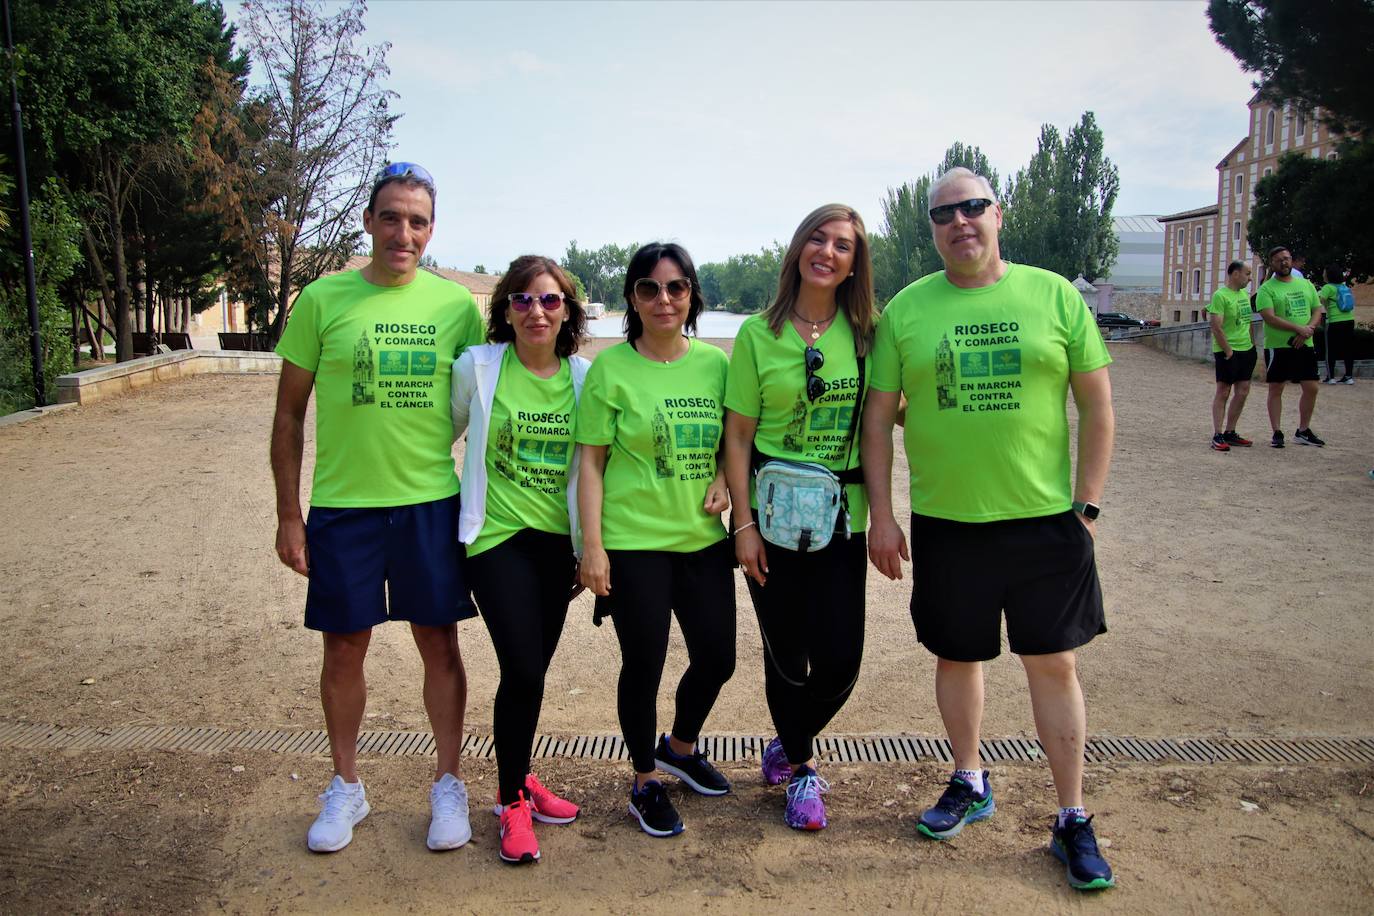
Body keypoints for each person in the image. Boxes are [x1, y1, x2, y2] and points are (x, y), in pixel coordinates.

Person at [862, 167, 1117, 891]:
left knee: (1054, 664)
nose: (960, 221)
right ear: (932, 229)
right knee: (956, 656)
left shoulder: (1053, 295)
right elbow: (878, 418)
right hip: (948, 522)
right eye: (944, 214)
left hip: (1046, 522)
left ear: (997, 215)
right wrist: (883, 515)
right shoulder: (909, 311)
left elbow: (1098, 407)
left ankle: (1071, 817)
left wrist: (1087, 506)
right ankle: (969, 779)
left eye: (973, 207)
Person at [271, 162, 485, 854]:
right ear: (368, 221)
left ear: (431, 231)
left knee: (439, 643)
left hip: (429, 503)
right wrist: (287, 514)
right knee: (344, 646)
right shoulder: (322, 300)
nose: (403, 232)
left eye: (417, 221)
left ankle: (447, 784)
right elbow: (288, 413)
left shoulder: (456, 308)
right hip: (344, 506)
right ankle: (346, 786)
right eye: (391, 217)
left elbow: (486, 404)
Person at [722, 204, 876, 831]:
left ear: (853, 263)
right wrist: (743, 525)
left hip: (843, 519)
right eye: (818, 238)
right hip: (772, 520)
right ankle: (804, 774)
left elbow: (881, 423)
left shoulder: (869, 332)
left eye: (843, 245)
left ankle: (789, 740)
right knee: (787, 655)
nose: (828, 252)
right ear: (798, 248)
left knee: (841, 660)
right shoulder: (760, 334)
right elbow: (737, 437)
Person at [576, 242, 736, 838]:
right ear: (632, 298)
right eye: (648, 288)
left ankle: (680, 745)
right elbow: (590, 464)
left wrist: (723, 474)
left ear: (692, 294)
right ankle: (644, 778)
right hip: (634, 543)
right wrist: (592, 547)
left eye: (675, 287)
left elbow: (734, 441)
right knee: (642, 662)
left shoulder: (717, 365)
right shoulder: (611, 370)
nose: (663, 299)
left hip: (702, 540)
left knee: (718, 657)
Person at [451, 255, 589, 864]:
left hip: (559, 547)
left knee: (532, 670)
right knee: (524, 670)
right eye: (523, 300)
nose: (537, 311)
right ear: (506, 310)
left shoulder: (587, 378)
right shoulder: (478, 369)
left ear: (567, 311)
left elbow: (601, 465)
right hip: (496, 540)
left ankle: (523, 775)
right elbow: (442, 435)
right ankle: (510, 801)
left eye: (550, 300)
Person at [1257, 245, 1325, 447]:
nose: (1284, 262)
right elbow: (1269, 317)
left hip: (1305, 343)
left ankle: (1303, 430)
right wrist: (1298, 328)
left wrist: (1308, 330)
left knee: (1311, 387)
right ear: (1272, 264)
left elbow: (1317, 310)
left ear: (1291, 260)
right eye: (1279, 260)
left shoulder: (1306, 284)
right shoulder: (1267, 289)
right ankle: (1277, 431)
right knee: (1276, 387)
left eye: (1286, 258)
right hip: (1279, 346)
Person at [1207, 260, 1257, 450]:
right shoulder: (1220, 296)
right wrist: (1228, 351)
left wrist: (1252, 344)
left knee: (1243, 391)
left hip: (1246, 349)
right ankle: (1218, 434)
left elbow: (1249, 320)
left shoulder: (1244, 294)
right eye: (1247, 274)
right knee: (1224, 391)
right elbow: (1216, 325)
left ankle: (1231, 431)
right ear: (1235, 274)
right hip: (1228, 351)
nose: (1250, 278)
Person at [1318, 265, 1357, 385]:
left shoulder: (1328, 287)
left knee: (1331, 349)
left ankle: (1331, 377)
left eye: (1324, 273)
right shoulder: (1344, 287)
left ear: (1329, 275)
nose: (1323, 275)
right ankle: (1349, 376)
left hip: (1334, 321)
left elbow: (1319, 300)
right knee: (1348, 348)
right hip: (1349, 320)